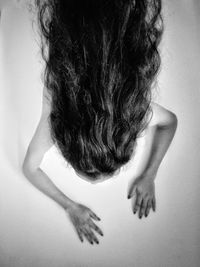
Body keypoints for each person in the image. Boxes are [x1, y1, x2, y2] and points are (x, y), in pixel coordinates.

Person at [23, 0, 178, 245]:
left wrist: (150, 173)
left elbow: (170, 122)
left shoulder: (134, 113)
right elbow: (29, 169)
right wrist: (69, 206)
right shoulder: (55, 122)